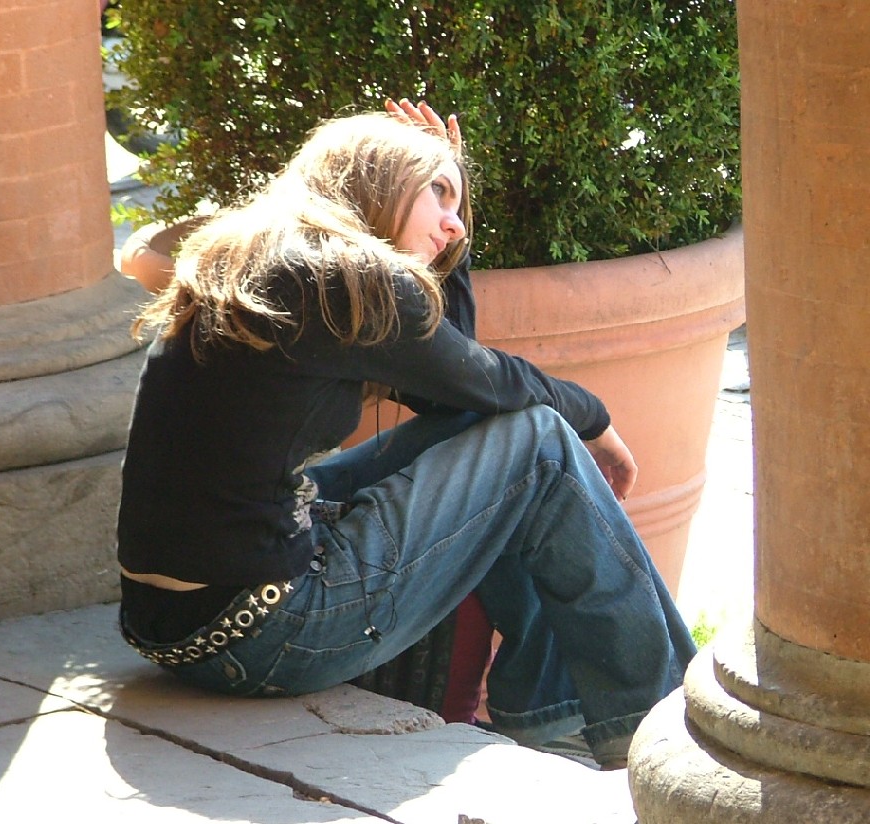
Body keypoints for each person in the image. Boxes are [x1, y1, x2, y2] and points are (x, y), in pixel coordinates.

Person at [115, 100, 696, 770]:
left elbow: (457, 395)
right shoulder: (349, 275)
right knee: (540, 437)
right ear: (380, 182)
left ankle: (555, 716)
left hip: (169, 628)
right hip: (264, 634)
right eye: (439, 194)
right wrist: (596, 420)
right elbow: (488, 384)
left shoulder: (267, 255)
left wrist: (455, 236)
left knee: (508, 440)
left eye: (461, 207)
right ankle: (658, 735)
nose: (453, 224)